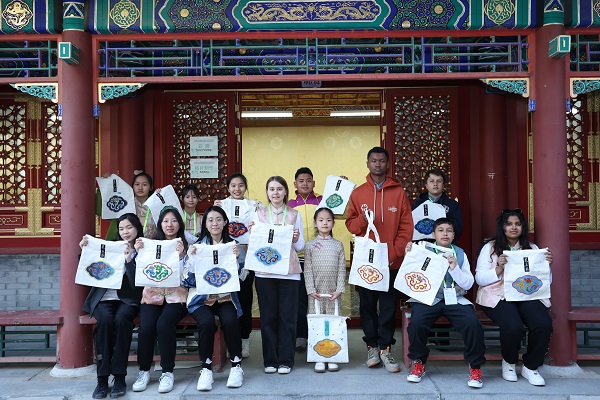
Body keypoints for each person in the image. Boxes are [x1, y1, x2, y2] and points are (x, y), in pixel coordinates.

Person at [345, 146, 413, 373]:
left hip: (390, 261)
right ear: (367, 163)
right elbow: (351, 225)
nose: (377, 164)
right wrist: (363, 221)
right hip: (367, 262)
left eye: (381, 161)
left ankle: (386, 348)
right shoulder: (358, 193)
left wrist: (393, 252)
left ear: (387, 164)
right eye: (373, 160)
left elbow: (406, 227)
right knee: (366, 306)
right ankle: (372, 347)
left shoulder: (399, 193)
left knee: (387, 307)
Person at [475, 208, 554, 386]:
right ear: (502, 227)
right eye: (509, 224)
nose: (513, 227)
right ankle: (509, 362)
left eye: (518, 224)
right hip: (497, 294)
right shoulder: (490, 248)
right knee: (513, 326)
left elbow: (546, 281)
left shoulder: (532, 249)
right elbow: (479, 278)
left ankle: (531, 366)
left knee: (543, 324)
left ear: (523, 227)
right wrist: (499, 268)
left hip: (526, 294)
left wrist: (547, 265)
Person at [405, 218, 485, 388]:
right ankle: (419, 362)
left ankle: (475, 366)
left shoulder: (460, 254)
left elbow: (468, 284)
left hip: (454, 298)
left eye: (449, 230)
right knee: (417, 323)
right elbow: (410, 272)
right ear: (434, 234)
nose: (445, 234)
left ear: (454, 234)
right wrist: (409, 254)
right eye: (440, 230)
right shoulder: (423, 249)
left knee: (472, 324)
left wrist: (454, 267)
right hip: (428, 298)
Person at [81, 213, 144, 399]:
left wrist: (130, 260)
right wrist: (85, 250)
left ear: (137, 228)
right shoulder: (109, 246)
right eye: (122, 228)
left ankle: (119, 377)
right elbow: (88, 268)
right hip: (104, 298)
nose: (125, 232)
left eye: (129, 227)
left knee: (122, 321)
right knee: (105, 321)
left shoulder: (143, 248)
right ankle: (102, 379)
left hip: (128, 299)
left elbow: (137, 284)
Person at [184, 206, 245, 391]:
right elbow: (187, 279)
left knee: (230, 320)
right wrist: (192, 261)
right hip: (201, 299)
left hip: (225, 298)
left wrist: (237, 260)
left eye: (218, 219)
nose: (215, 223)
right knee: (207, 322)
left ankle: (236, 365)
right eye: (210, 220)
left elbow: (242, 277)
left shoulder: (234, 245)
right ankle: (206, 368)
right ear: (205, 223)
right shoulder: (197, 247)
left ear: (225, 222)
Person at [131, 207, 189, 394]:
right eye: (165, 221)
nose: (170, 225)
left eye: (174, 221)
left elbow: (189, 275)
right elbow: (141, 270)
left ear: (179, 224)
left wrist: (182, 256)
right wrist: (138, 253)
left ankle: (167, 372)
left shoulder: (186, 246)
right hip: (152, 295)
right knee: (147, 327)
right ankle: (144, 371)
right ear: (160, 224)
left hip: (176, 297)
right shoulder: (150, 244)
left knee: (164, 324)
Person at [251, 176, 304, 374]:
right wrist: (252, 233)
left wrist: (296, 239)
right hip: (265, 272)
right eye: (272, 189)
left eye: (279, 189)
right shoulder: (259, 214)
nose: (275, 193)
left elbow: (300, 246)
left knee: (287, 318)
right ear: (267, 192)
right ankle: (270, 360)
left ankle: (286, 360)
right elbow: (254, 243)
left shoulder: (294, 214)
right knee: (268, 317)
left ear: (285, 191)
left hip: (289, 273)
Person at [214, 173, 257, 358]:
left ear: (245, 187)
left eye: (240, 185)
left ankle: (244, 339)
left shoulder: (254, 206)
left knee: (245, 299)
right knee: (227, 299)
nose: (237, 189)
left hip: (247, 260)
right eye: (233, 185)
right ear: (228, 188)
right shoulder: (221, 205)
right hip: (225, 260)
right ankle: (229, 341)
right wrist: (216, 211)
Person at [304, 207, 346, 373]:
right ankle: (319, 357)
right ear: (315, 223)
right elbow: (307, 269)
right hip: (316, 293)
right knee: (317, 324)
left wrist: (339, 289)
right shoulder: (310, 246)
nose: (325, 223)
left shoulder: (338, 245)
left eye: (328, 220)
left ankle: (333, 356)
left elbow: (342, 269)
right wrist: (310, 289)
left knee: (333, 323)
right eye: (321, 220)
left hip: (333, 292)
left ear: (333, 223)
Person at [288, 167, 322, 352]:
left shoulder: (322, 201)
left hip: (319, 257)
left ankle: (319, 335)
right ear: (295, 184)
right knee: (300, 299)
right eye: (301, 181)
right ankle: (301, 336)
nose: (305, 184)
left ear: (313, 183)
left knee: (319, 297)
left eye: (308, 180)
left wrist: (342, 188)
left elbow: (344, 212)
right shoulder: (289, 205)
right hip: (298, 258)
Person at [411, 169, 463, 238]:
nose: (435, 184)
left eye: (439, 181)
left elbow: (458, 229)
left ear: (443, 185)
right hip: (422, 243)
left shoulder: (453, 205)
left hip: (445, 243)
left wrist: (441, 217)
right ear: (426, 185)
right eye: (432, 181)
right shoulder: (417, 205)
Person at [132, 171, 157, 239]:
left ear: (151, 187)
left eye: (144, 185)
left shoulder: (155, 204)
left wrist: (160, 196)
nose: (140, 188)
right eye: (137, 184)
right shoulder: (127, 204)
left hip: (152, 242)